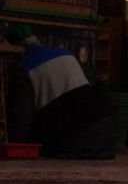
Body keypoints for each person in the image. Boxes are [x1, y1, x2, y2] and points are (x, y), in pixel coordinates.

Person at [3, 25, 115, 158]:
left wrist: (13, 144)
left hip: (74, 138)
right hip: (104, 135)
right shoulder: (66, 53)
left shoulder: (23, 69)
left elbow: (21, 116)